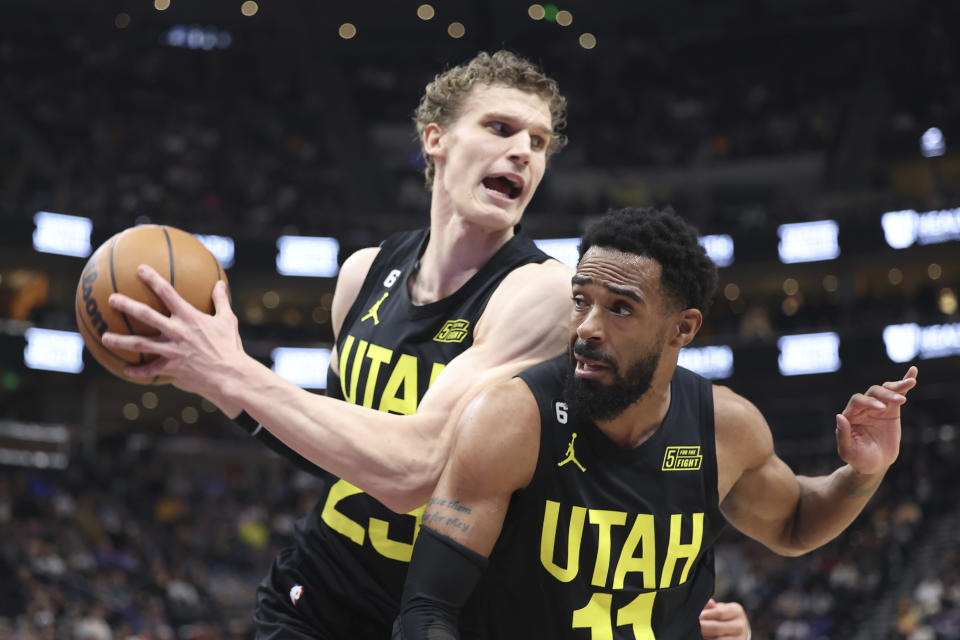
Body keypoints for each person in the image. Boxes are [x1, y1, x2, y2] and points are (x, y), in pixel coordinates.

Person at [101, 53, 750, 638]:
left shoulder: (542, 295)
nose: (524, 150)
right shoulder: (362, 274)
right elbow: (338, 450)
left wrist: (234, 375)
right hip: (316, 597)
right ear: (435, 140)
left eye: (539, 142)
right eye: (500, 128)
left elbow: (415, 471)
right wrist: (217, 380)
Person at [393, 206, 917, 639]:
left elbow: (794, 522)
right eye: (581, 301)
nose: (587, 328)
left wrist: (864, 473)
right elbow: (426, 611)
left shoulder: (724, 427)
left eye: (620, 309)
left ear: (682, 329)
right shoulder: (511, 419)